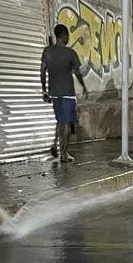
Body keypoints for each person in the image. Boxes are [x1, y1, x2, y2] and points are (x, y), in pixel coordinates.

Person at [41, 23, 87, 162]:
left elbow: (42, 71)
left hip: (54, 92)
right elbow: (78, 73)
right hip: (67, 92)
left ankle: (55, 144)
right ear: (65, 35)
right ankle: (64, 154)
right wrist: (83, 86)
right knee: (66, 123)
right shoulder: (70, 53)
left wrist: (44, 90)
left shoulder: (47, 51)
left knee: (60, 121)